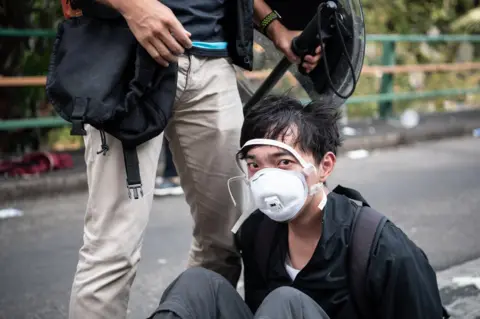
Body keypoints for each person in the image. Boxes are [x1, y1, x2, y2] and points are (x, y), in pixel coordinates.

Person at [67, 0, 323, 318]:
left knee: (224, 241)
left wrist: (274, 25)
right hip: (128, 52)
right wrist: (134, 7)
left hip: (214, 63)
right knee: (113, 247)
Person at [147, 95, 447, 319]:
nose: (266, 178)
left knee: (286, 302)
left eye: (284, 162)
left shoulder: (381, 247)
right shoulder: (257, 234)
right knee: (197, 283)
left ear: (324, 166)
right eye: (254, 165)